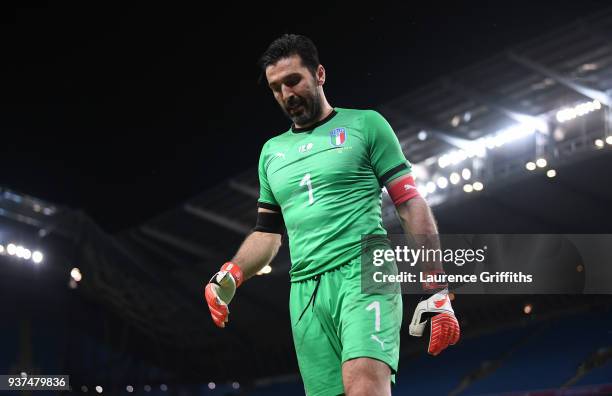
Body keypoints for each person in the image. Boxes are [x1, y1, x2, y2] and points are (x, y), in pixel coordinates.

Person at [205, 34, 460, 396]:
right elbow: (267, 233)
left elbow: (409, 203)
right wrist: (231, 272)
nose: (287, 94)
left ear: (319, 74)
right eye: (277, 88)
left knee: (364, 388)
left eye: (294, 80)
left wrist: (436, 287)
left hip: (363, 271)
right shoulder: (271, 153)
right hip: (305, 291)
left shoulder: (367, 125)